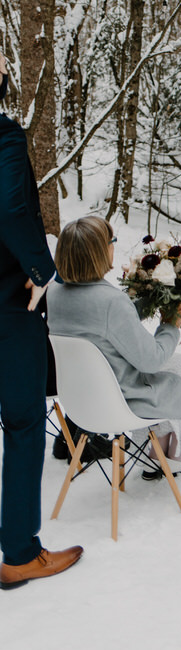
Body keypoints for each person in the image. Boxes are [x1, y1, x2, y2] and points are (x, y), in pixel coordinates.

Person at [0, 49, 83, 589]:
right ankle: (20, 553)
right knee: (25, 420)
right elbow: (10, 207)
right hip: (9, 300)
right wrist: (40, 268)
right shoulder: (3, 135)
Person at [47, 216, 181, 477]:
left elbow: (99, 324)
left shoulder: (54, 294)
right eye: (111, 241)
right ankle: (176, 456)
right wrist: (172, 324)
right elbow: (152, 360)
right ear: (99, 251)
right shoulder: (111, 301)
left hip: (79, 402)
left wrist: (144, 301)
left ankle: (162, 453)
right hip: (122, 399)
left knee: (180, 369)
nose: (114, 246)